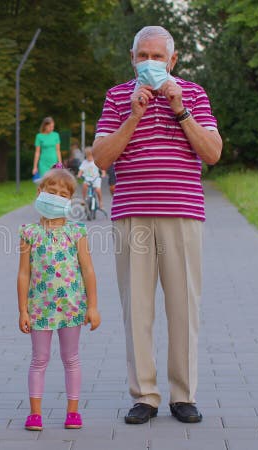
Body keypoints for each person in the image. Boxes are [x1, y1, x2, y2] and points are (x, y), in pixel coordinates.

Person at [91, 26, 222, 425]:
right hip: (133, 214)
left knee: (184, 308)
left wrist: (179, 107)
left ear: (173, 59)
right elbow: (101, 157)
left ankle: (183, 395)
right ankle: (144, 395)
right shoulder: (117, 97)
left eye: (157, 56)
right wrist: (134, 114)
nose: (150, 63)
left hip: (182, 213)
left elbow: (213, 153)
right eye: (143, 56)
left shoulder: (194, 94)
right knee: (137, 310)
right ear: (132, 59)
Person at [17, 168, 101, 431]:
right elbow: (23, 273)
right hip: (39, 308)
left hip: (71, 308)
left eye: (62, 195)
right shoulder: (28, 232)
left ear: (69, 201)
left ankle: (73, 412)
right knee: (39, 358)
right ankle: (35, 413)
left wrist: (93, 306)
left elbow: (88, 270)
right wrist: (23, 310)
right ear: (39, 193)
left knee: (71, 358)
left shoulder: (77, 232)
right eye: (50, 192)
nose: (55, 198)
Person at [77, 147, 105, 211]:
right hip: (87, 178)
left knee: (98, 190)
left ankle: (101, 202)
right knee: (84, 186)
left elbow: (102, 167)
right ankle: (84, 199)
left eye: (90, 156)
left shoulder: (96, 161)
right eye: (87, 156)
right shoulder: (85, 162)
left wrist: (103, 173)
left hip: (96, 178)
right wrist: (79, 175)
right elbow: (81, 170)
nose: (89, 158)